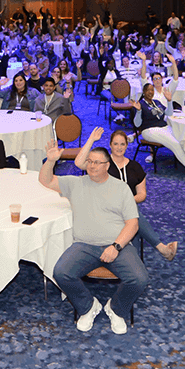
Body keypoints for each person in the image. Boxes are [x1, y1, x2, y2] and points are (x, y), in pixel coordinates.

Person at [39, 139, 148, 335]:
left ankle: (116, 309)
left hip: (117, 245)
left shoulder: (121, 188)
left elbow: (133, 224)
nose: (92, 165)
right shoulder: (75, 183)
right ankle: (88, 307)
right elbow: (46, 181)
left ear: (107, 166)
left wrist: (115, 247)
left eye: (98, 162)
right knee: (61, 272)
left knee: (139, 278)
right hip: (84, 245)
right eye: (89, 161)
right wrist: (50, 161)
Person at [74, 127, 178, 261]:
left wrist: (126, 201)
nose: (119, 147)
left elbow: (142, 194)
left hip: (126, 209)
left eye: (122, 144)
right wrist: (91, 140)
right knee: (134, 217)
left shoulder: (135, 167)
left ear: (127, 145)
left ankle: (133, 262)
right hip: (104, 208)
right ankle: (160, 248)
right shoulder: (102, 164)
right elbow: (78, 163)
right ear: (110, 145)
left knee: (132, 216)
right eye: (115, 144)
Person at [130, 83, 185, 174]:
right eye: (148, 90)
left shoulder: (156, 102)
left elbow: (169, 113)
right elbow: (137, 124)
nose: (151, 92)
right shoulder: (140, 104)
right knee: (175, 144)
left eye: (152, 90)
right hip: (149, 130)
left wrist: (169, 101)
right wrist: (138, 111)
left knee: (183, 140)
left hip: (163, 127)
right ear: (143, 92)